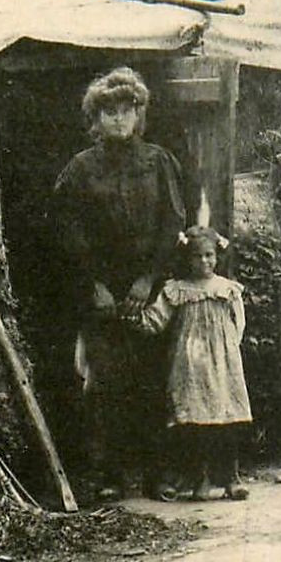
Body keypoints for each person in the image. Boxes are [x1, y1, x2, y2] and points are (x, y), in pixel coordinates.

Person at [54, 67, 185, 501]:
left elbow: (173, 223)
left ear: (138, 114)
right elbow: (66, 231)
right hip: (102, 295)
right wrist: (95, 285)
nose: (118, 119)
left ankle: (157, 475)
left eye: (126, 110)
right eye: (108, 111)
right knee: (104, 385)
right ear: (95, 118)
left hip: (148, 291)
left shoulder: (158, 161)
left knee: (154, 381)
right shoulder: (80, 169)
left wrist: (148, 280)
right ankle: (109, 476)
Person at [139, 226, 251, 501]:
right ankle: (201, 479)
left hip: (222, 363)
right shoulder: (177, 290)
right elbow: (156, 320)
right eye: (198, 256)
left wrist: (225, 349)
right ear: (187, 259)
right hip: (190, 364)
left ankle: (231, 478)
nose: (204, 261)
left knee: (226, 418)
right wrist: (132, 318)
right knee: (195, 421)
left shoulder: (227, 289)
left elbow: (238, 324)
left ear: (217, 257)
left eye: (209, 255)